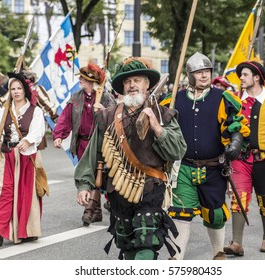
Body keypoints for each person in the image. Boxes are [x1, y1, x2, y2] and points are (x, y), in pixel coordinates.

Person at [74, 56, 187, 260]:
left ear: (147, 84)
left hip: (151, 188)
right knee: (127, 246)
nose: (132, 85)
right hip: (118, 189)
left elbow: (178, 151)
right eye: (127, 81)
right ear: (122, 87)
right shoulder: (107, 116)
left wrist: (157, 127)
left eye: (137, 80)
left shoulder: (163, 115)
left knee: (146, 244)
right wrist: (84, 185)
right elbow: (94, 152)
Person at [167, 52, 250, 260]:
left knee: (215, 214)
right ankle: (176, 260)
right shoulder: (174, 100)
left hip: (213, 168)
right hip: (184, 167)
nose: (204, 75)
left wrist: (236, 142)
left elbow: (236, 124)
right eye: (199, 72)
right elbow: (162, 125)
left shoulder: (221, 98)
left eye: (207, 71)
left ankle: (217, 253)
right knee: (180, 212)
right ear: (190, 74)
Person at [224, 61, 265, 256]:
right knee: (239, 198)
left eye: (244, 74)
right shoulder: (235, 100)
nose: (241, 78)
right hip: (240, 159)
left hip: (264, 160)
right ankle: (237, 243)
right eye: (241, 75)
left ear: (256, 77)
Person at [0, 71, 46, 246]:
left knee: (25, 195)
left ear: (25, 90)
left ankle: (26, 230)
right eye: (12, 88)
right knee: (3, 191)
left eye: (19, 88)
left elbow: (38, 131)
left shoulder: (35, 111)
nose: (16, 92)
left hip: (26, 158)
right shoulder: (3, 111)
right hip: (6, 155)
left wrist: (28, 140)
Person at [53, 63, 115, 227]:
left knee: (97, 174)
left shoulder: (107, 98)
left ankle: (89, 210)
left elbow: (116, 118)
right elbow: (65, 118)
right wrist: (59, 135)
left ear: (92, 82)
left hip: (101, 143)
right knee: (88, 173)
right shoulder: (76, 98)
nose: (80, 80)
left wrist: (104, 111)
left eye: (83, 79)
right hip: (82, 143)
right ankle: (97, 211)